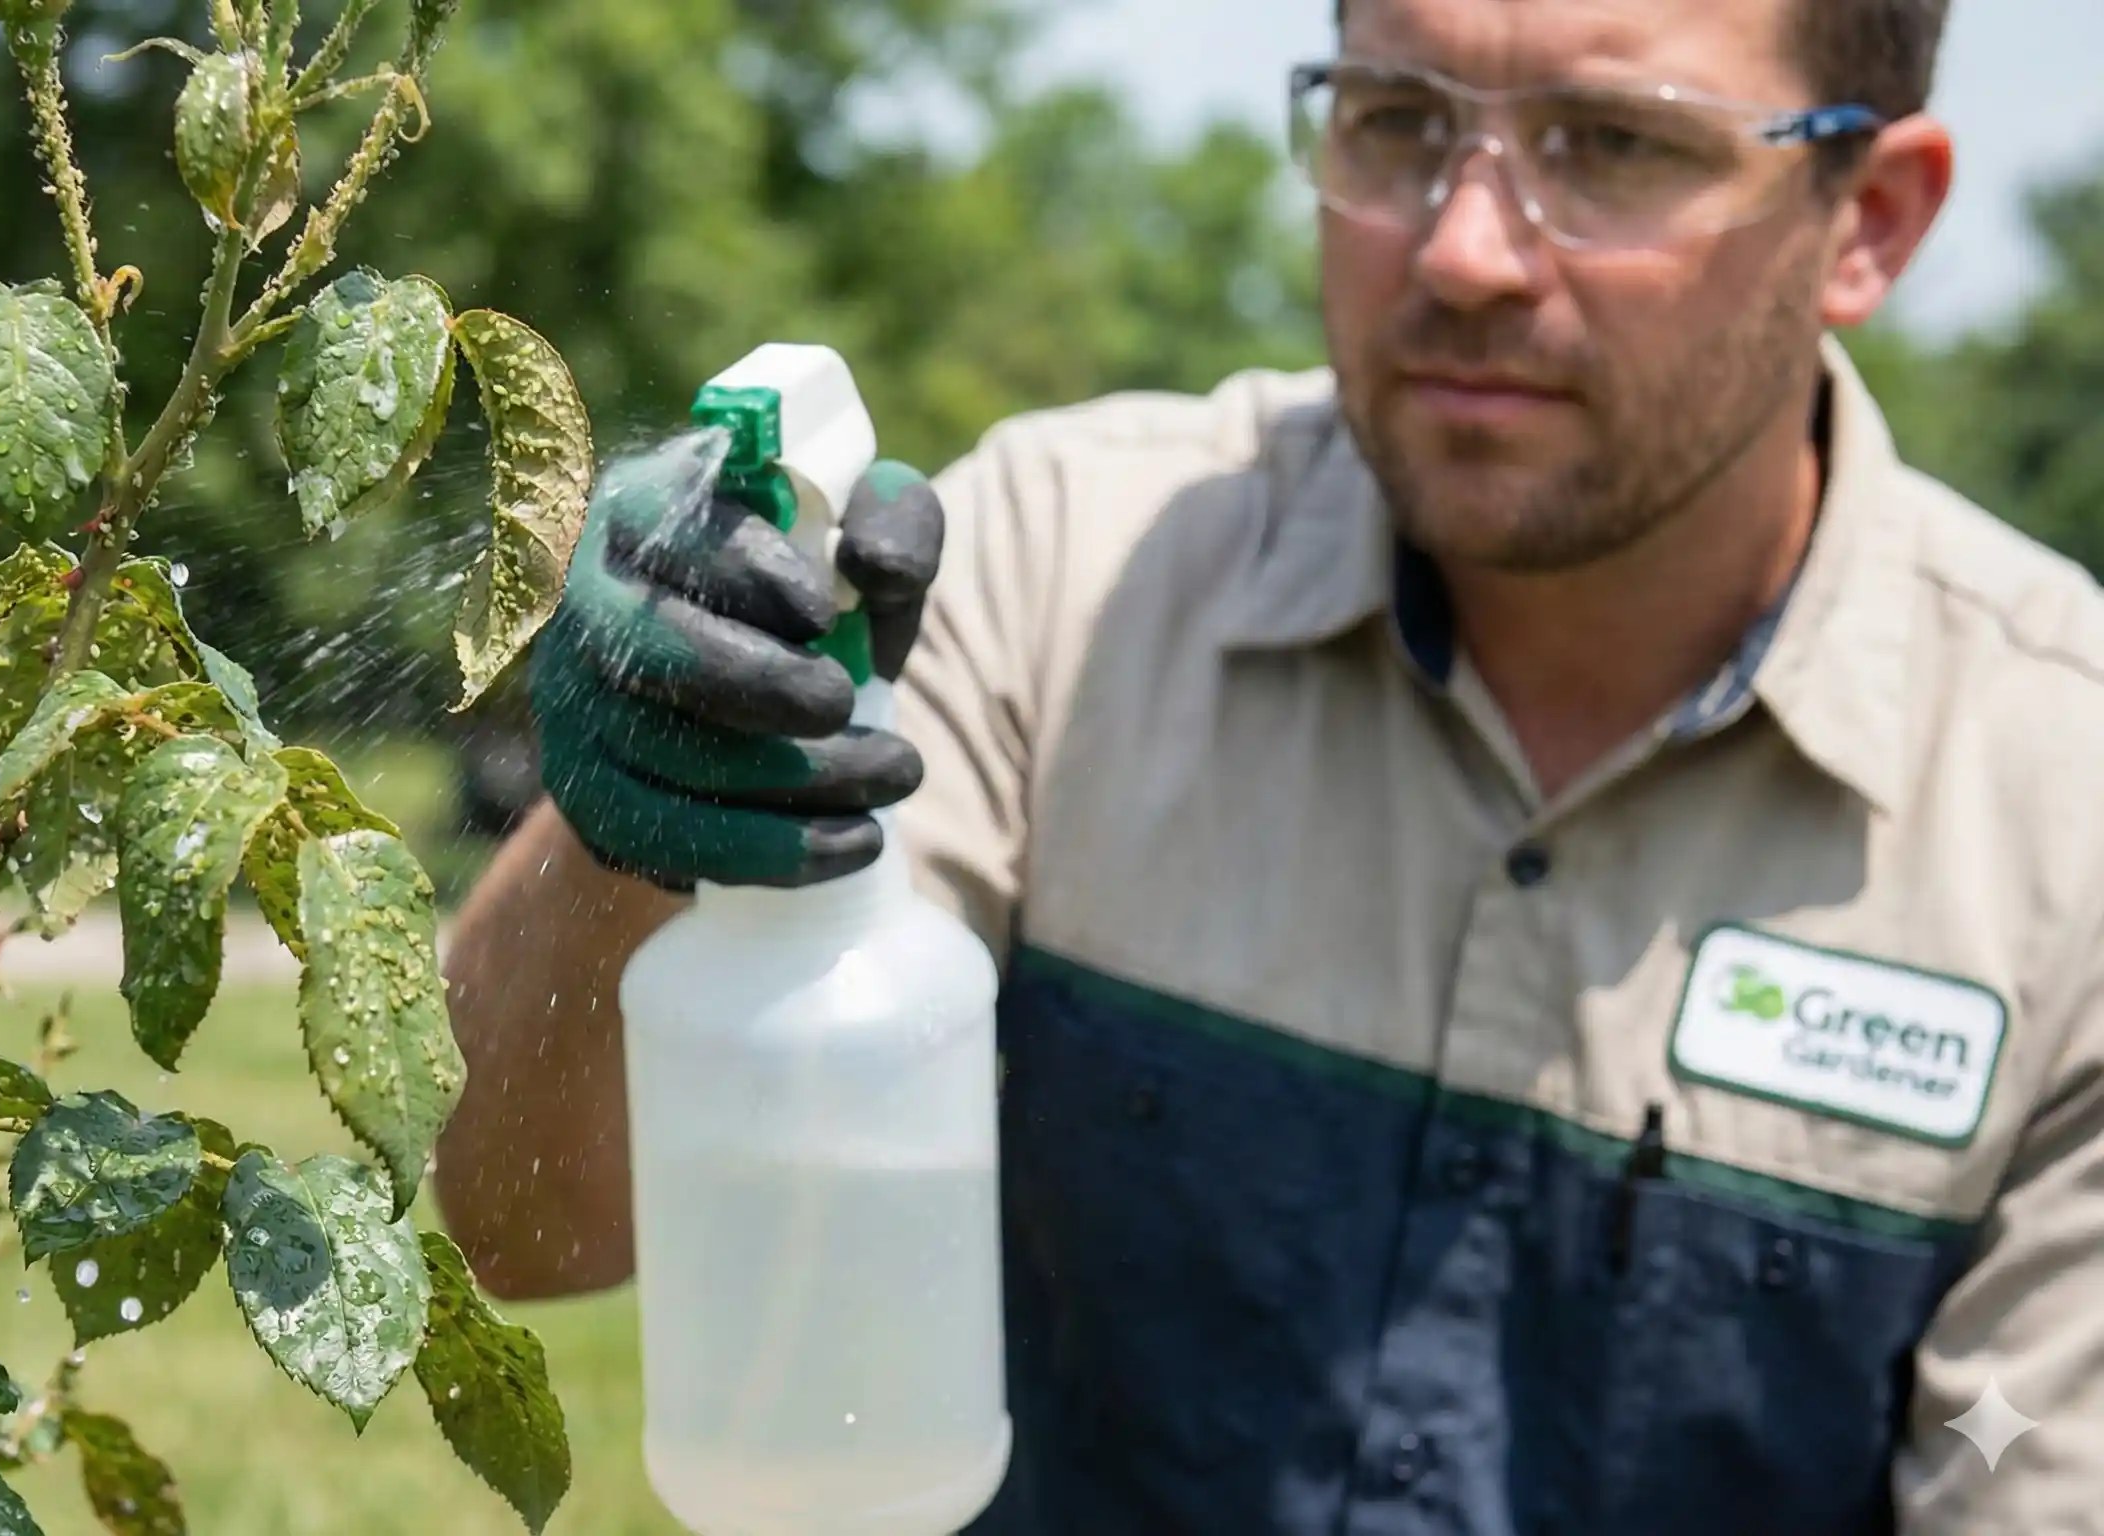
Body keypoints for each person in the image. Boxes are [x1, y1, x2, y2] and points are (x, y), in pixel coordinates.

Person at [433, 0, 2104, 1530]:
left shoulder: (2064, 817)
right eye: (1392, 118)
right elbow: (524, 1222)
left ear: (1868, 220)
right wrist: (635, 812)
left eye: (1612, 145)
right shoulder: (1051, 575)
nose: (1461, 251)